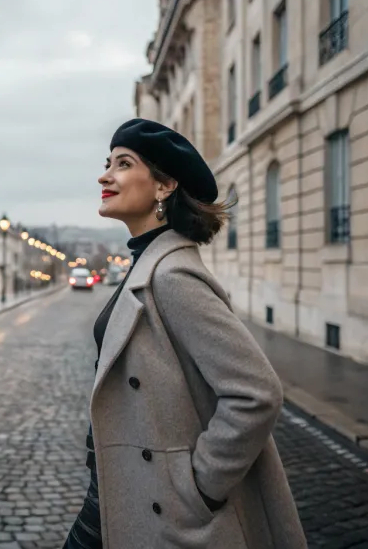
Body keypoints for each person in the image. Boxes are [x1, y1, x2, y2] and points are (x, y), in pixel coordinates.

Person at [63, 119, 307, 548]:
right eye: (107, 164)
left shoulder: (172, 275)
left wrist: (198, 488)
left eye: (123, 164)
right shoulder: (148, 264)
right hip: (117, 490)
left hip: (159, 504)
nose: (105, 175)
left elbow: (256, 392)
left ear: (164, 186)